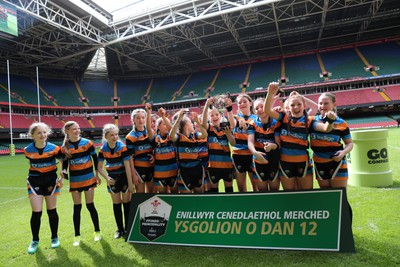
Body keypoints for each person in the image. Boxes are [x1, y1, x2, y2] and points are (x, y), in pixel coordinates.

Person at [264, 82, 335, 190]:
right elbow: (267, 110)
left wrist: (330, 121)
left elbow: (326, 128)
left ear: (304, 106)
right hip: (285, 163)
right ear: (288, 107)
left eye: (299, 104)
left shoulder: (309, 120)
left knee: (306, 196)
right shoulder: (283, 117)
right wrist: (269, 93)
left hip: (303, 163)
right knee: (290, 197)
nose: (296, 107)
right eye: (292, 105)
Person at [60, 121, 102, 247]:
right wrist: (63, 172)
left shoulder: (87, 143)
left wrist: (97, 174)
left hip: (89, 179)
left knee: (90, 206)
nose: (77, 130)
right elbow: (65, 164)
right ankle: (77, 236)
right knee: (77, 208)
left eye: (78, 128)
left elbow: (95, 159)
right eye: (74, 129)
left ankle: (97, 232)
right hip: (75, 181)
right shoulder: (65, 147)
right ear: (67, 131)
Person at [24, 122, 63, 254]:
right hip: (34, 182)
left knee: (52, 210)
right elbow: (30, 163)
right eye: (39, 133)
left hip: (51, 181)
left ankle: (54, 237)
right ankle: (35, 240)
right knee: (37, 212)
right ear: (32, 135)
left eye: (44, 132)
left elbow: (64, 161)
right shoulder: (27, 150)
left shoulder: (54, 148)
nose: (42, 135)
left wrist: (62, 177)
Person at [97, 124, 134, 239]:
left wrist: (131, 183)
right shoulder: (103, 149)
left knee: (126, 202)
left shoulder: (122, 147)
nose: (115, 137)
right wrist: (106, 178)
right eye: (112, 135)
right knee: (116, 204)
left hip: (124, 178)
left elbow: (127, 167)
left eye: (116, 134)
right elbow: (99, 167)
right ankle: (120, 229)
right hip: (112, 179)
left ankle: (128, 228)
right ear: (106, 136)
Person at [310, 92, 353, 189]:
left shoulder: (341, 123)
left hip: (337, 162)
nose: (322, 106)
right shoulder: (313, 121)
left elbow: (349, 143)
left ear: (334, 104)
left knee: (340, 197)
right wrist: (300, 97)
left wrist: (343, 152)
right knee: (327, 197)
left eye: (326, 103)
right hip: (319, 163)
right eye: (320, 103)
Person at [201, 96, 236, 193]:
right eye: (211, 116)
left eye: (216, 114)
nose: (215, 117)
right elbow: (203, 124)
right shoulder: (209, 129)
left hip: (227, 165)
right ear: (209, 118)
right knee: (214, 192)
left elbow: (233, 143)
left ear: (220, 115)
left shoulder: (226, 127)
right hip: (213, 167)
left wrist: (228, 133)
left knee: (229, 191)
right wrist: (207, 105)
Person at [170, 109, 208, 193]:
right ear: (186, 126)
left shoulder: (195, 135)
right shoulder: (179, 138)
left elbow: (205, 134)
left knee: (199, 196)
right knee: (186, 197)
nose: (193, 124)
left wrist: (198, 121)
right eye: (191, 122)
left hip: (197, 169)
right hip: (185, 171)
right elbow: (171, 135)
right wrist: (178, 119)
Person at [247, 98, 281, 192]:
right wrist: (255, 152)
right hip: (259, 160)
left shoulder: (276, 122)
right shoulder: (252, 123)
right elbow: (250, 142)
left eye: (262, 106)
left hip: (273, 159)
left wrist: (271, 146)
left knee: (274, 191)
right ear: (254, 111)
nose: (260, 109)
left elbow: (278, 144)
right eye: (257, 108)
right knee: (263, 191)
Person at [227, 93, 258, 192]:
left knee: (256, 187)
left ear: (250, 103)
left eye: (245, 101)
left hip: (252, 155)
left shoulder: (256, 118)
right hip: (238, 155)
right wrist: (229, 109)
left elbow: (258, 136)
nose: (242, 104)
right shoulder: (236, 117)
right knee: (241, 188)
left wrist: (246, 129)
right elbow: (232, 125)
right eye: (240, 102)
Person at [145, 104, 178, 193]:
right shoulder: (155, 138)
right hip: (160, 174)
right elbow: (148, 129)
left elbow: (171, 129)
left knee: (175, 198)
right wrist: (148, 113)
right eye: (164, 124)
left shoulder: (171, 137)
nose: (166, 126)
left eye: (167, 123)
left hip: (173, 173)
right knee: (163, 199)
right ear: (158, 127)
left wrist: (163, 116)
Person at [126, 108, 154, 193]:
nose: (141, 120)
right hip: (138, 169)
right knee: (140, 195)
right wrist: (133, 174)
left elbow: (155, 148)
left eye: (142, 117)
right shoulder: (130, 137)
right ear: (133, 120)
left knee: (151, 195)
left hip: (151, 167)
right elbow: (130, 157)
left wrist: (154, 156)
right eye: (138, 118)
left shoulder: (151, 132)